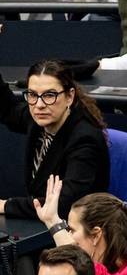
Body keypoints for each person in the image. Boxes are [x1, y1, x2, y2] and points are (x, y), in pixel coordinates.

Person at [0, 60, 109, 220]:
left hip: (77, 228)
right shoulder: (39, 117)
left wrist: (6, 205)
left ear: (69, 96)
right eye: (32, 94)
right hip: (44, 222)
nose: (39, 104)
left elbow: (65, 203)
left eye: (49, 95)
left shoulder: (85, 139)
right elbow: (7, 109)